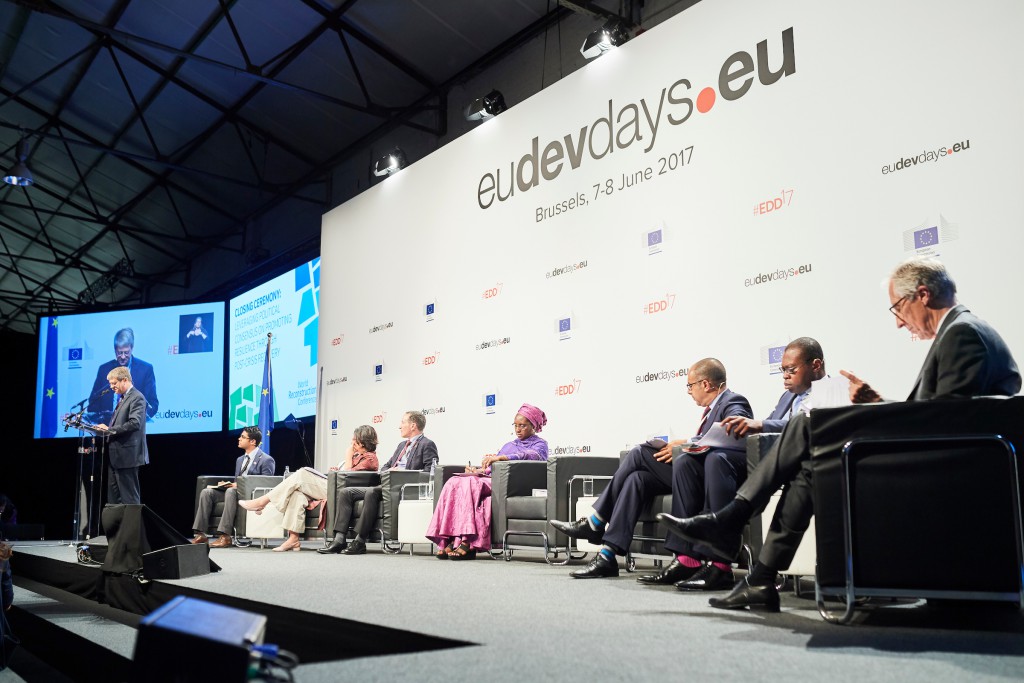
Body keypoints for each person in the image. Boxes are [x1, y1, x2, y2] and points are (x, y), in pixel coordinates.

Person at [660, 257, 1021, 611]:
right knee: (809, 467)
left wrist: (877, 410)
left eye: (897, 308)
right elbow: (942, 415)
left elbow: (945, 426)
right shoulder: (962, 330)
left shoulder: (961, 334)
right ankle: (760, 579)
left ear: (922, 295)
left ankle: (732, 521)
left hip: (945, 467)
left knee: (808, 425)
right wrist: (879, 403)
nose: (898, 323)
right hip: (942, 456)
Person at [551, 358, 752, 580]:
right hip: (693, 470)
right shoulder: (710, 409)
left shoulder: (733, 401)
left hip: (708, 475)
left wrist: (687, 443)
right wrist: (686, 445)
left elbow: (736, 430)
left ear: (706, 384)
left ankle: (596, 521)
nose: (688, 391)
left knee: (639, 453)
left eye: (690, 385)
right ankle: (607, 556)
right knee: (636, 479)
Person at [426, 404, 548, 560]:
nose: (518, 429)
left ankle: (466, 541)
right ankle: (450, 539)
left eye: (523, 426)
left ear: (534, 426)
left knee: (469, 484)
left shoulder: (540, 444)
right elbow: (492, 468)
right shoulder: (509, 445)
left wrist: (502, 458)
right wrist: (478, 471)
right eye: (516, 425)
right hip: (490, 478)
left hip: (509, 485)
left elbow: (532, 456)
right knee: (454, 481)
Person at [240, 425, 379, 552]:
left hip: (341, 492)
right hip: (333, 485)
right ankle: (293, 539)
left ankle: (263, 502)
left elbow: (348, 477)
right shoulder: (356, 456)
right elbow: (343, 473)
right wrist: (336, 469)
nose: (352, 443)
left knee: (303, 473)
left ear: (363, 442)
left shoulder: (370, 458)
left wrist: (347, 458)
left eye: (355, 440)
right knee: (297, 493)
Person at [318, 411, 438, 555]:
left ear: (413, 425)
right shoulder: (401, 445)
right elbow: (386, 466)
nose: (399, 426)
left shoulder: (427, 444)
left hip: (401, 488)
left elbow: (430, 472)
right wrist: (391, 470)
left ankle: (360, 541)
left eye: (402, 422)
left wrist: (403, 474)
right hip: (386, 484)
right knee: (346, 492)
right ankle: (339, 539)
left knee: (371, 491)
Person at [190, 426, 275, 548]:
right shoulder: (240, 460)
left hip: (250, 496)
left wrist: (237, 485)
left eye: (242, 437)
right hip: (235, 491)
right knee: (207, 492)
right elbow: (236, 481)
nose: (239, 439)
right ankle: (200, 534)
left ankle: (225, 536)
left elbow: (267, 484)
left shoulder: (266, 460)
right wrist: (226, 484)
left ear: (253, 441)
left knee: (231, 491)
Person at [94, 366, 150, 505]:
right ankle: (118, 527)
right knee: (114, 500)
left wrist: (109, 430)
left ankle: (131, 527)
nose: (112, 386)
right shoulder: (123, 398)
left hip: (128, 456)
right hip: (116, 456)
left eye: (114, 383)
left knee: (129, 500)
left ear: (125, 380)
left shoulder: (137, 398)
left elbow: (134, 423)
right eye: (111, 383)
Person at [88, 328, 159, 419]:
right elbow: (93, 403)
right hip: (106, 429)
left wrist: (137, 416)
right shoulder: (104, 370)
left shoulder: (145, 369)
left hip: (133, 427)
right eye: (119, 353)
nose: (122, 357)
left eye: (126, 353)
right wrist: (101, 416)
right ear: (114, 350)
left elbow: (153, 405)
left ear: (132, 348)